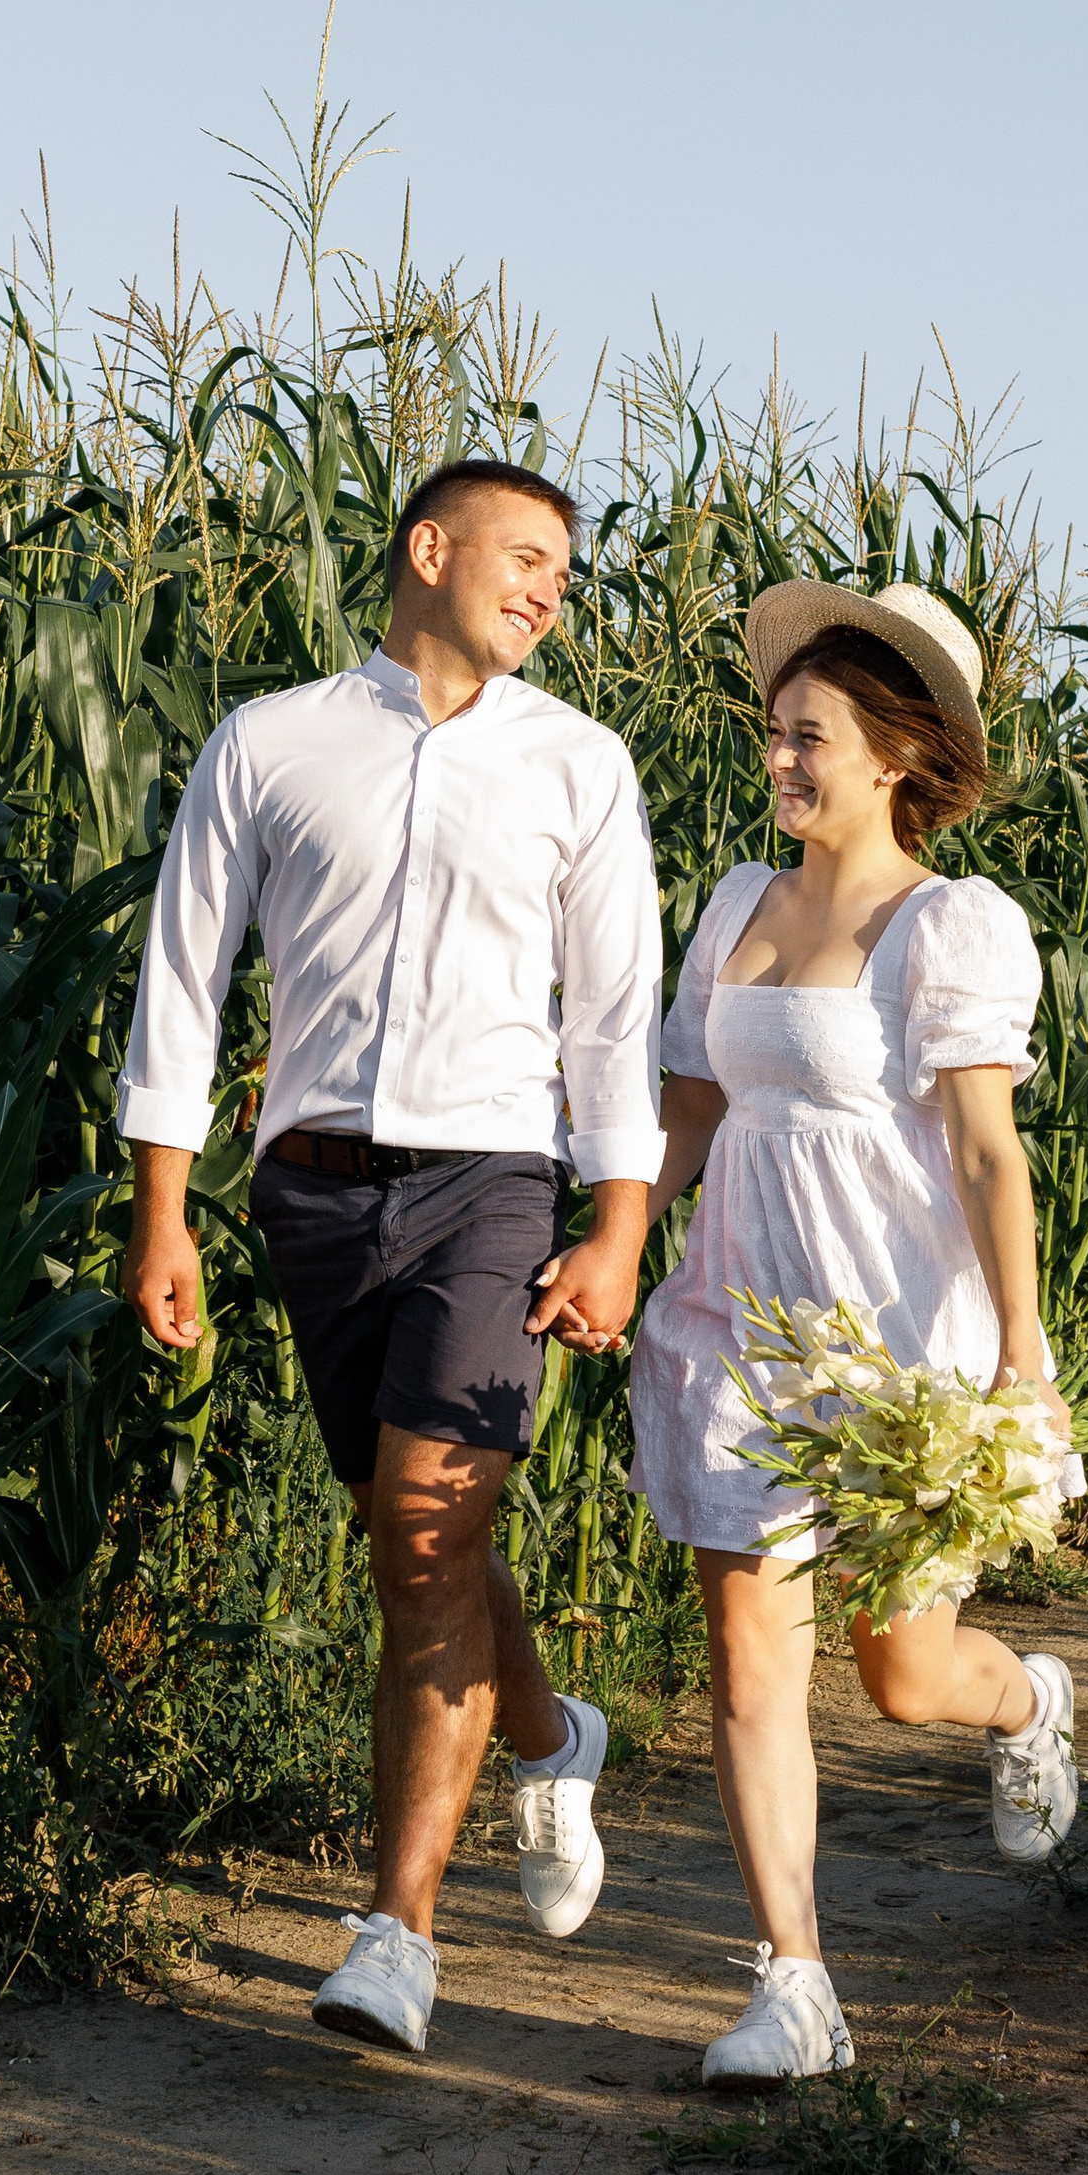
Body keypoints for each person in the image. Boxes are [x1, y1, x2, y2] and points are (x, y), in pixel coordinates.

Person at [117, 460, 662, 2057]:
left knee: (425, 1537)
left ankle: (396, 1935)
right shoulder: (272, 743)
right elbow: (183, 976)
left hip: (497, 1184)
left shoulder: (580, 765)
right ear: (427, 550)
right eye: (527, 556)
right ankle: (554, 1735)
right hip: (315, 1198)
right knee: (402, 1521)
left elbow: (613, 1018)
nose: (552, 588)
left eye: (567, 570)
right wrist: (166, 1205)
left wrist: (617, 1226)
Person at [627, 579, 1080, 2085]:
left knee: (904, 1672)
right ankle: (796, 1983)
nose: (780, 760)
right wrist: (619, 1232)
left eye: (807, 736)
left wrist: (1022, 1348)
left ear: (892, 753)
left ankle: (1028, 1700)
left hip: (899, 1339)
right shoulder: (735, 909)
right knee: (753, 1659)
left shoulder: (944, 925)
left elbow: (986, 1153)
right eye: (774, 733)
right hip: (740, 1320)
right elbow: (693, 1100)